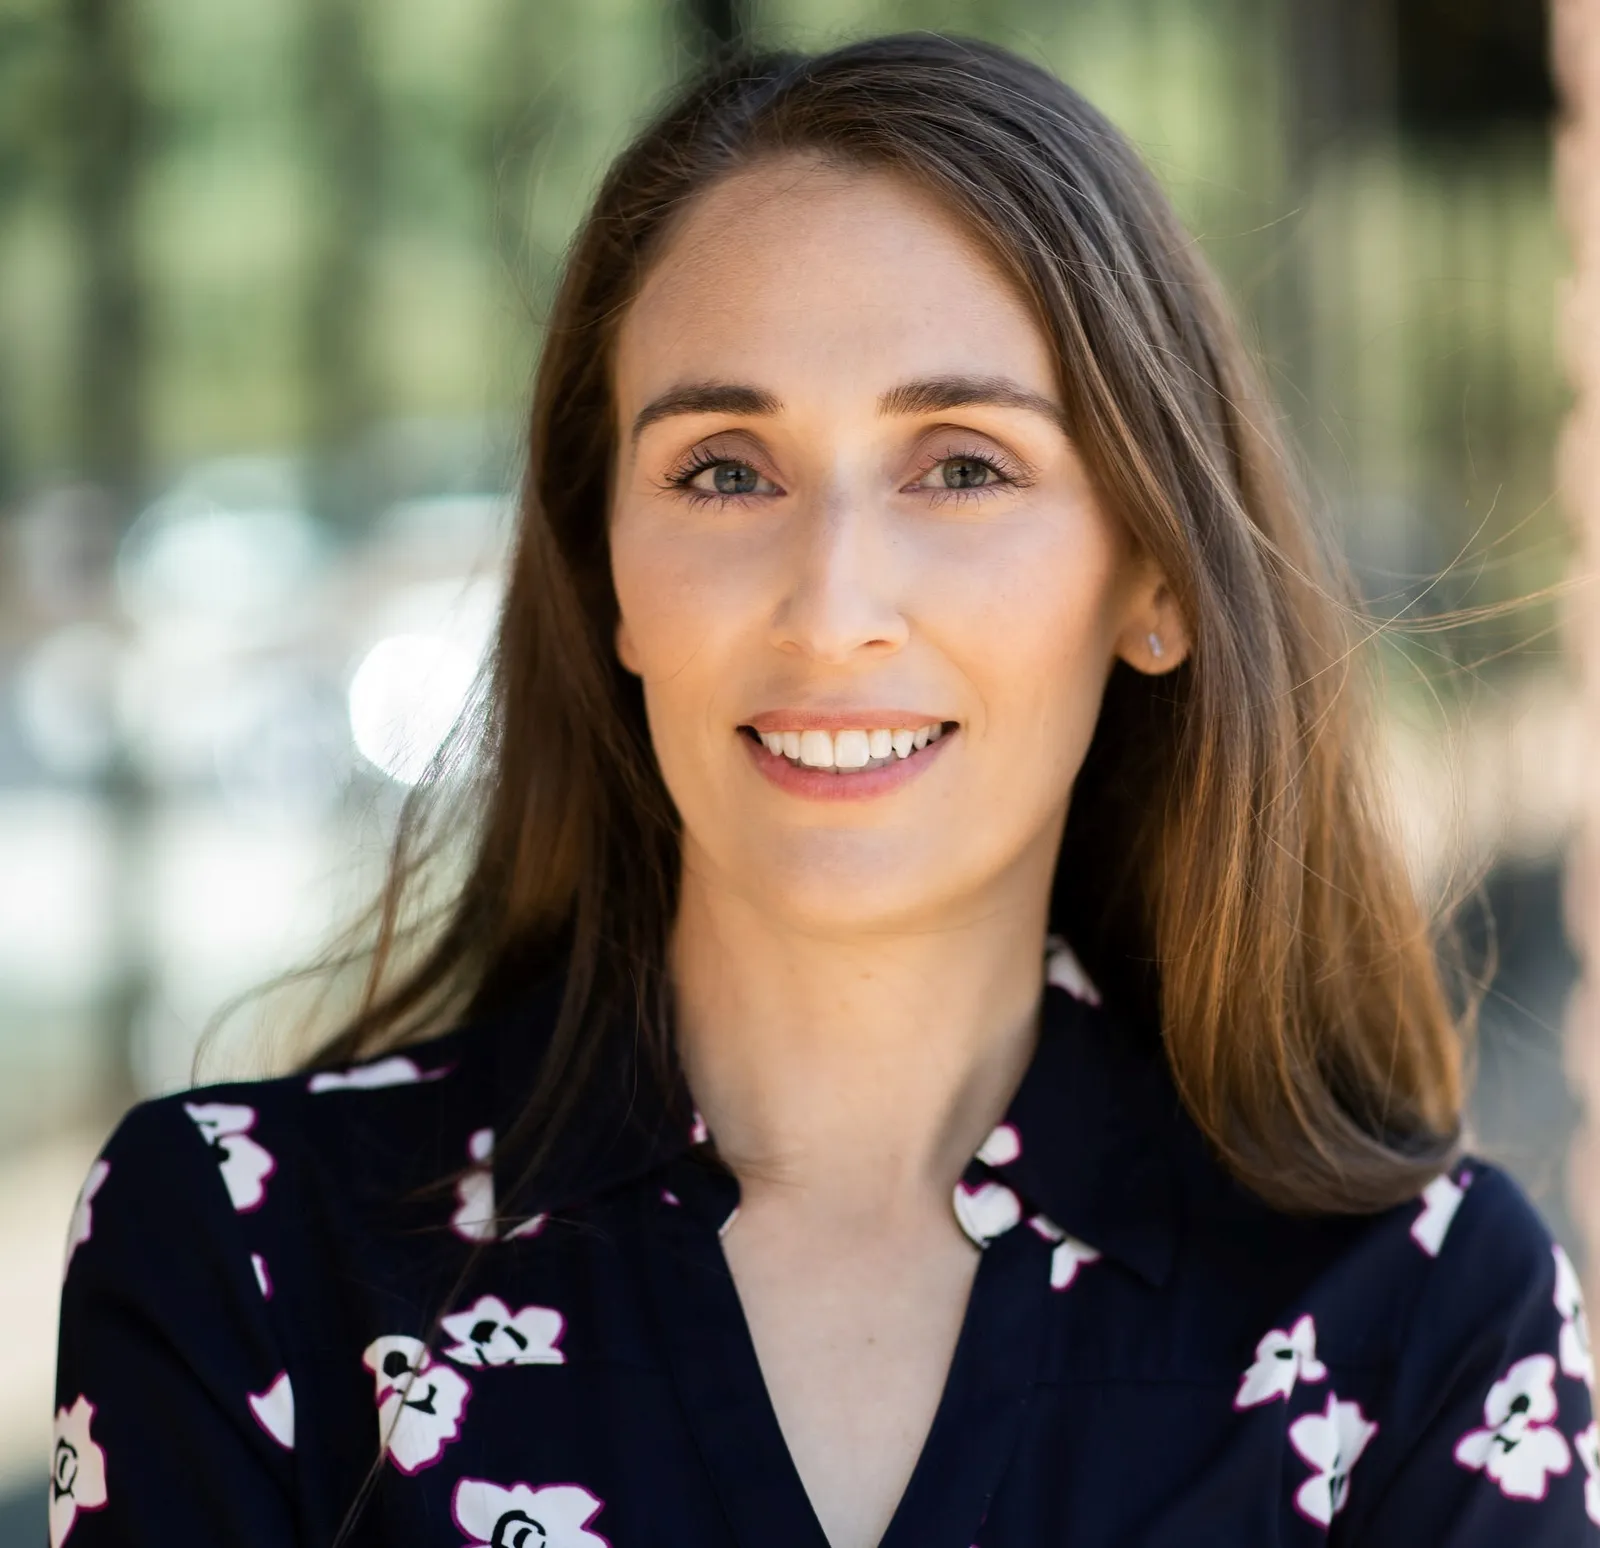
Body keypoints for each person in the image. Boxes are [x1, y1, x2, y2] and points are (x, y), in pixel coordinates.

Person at [50, 31, 1598, 1548]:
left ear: (1155, 576)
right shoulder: (245, 1257)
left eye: (963, 465)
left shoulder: (1421, 1321)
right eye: (725, 469)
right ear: (610, 582)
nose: (832, 601)